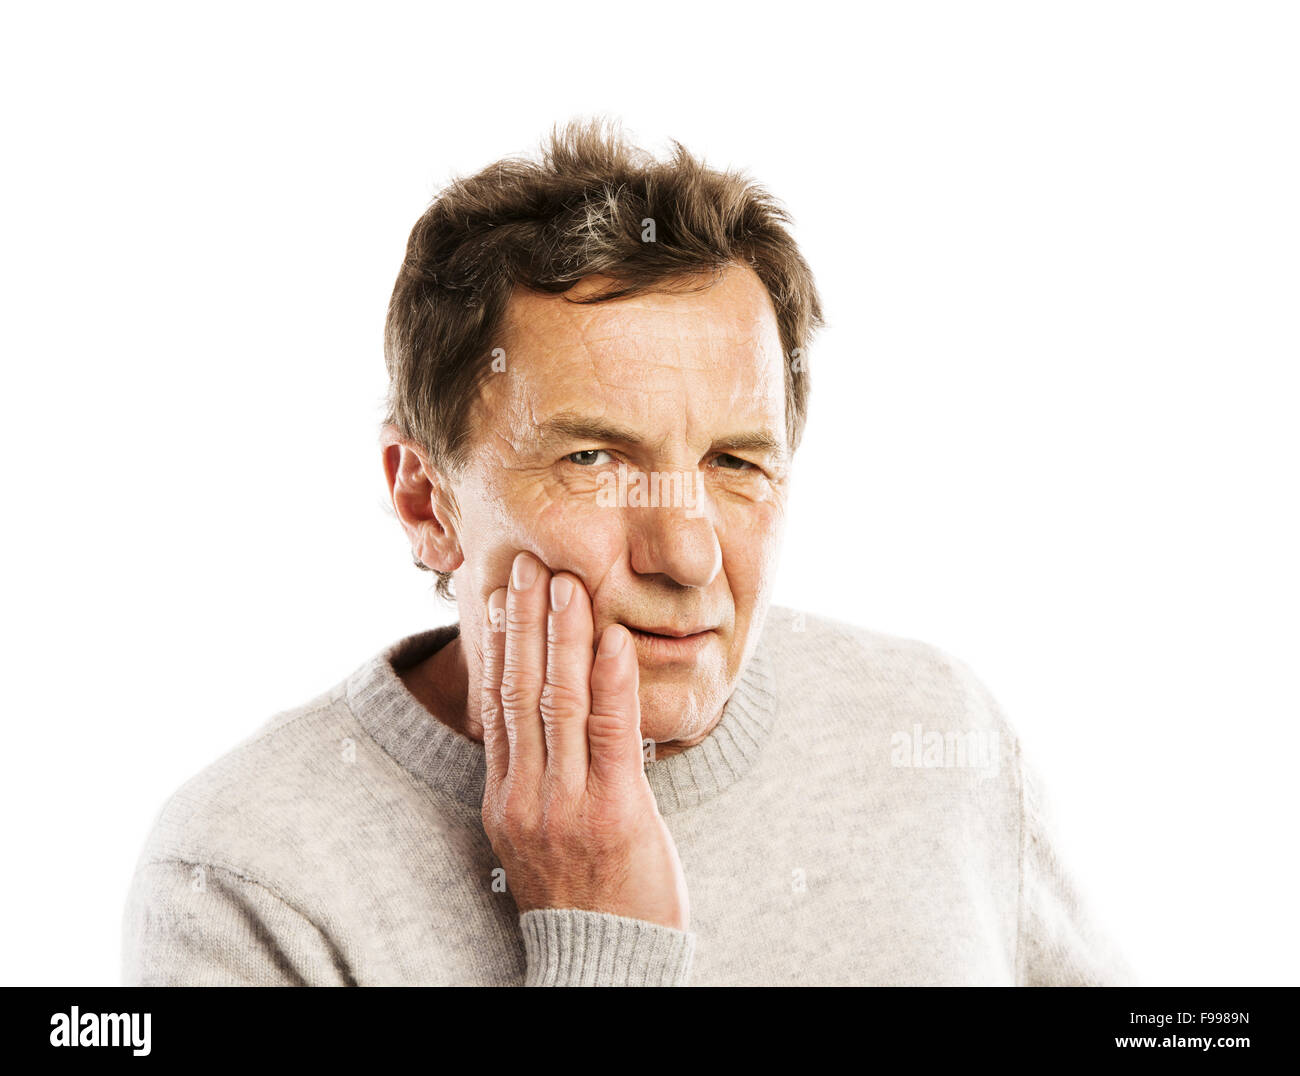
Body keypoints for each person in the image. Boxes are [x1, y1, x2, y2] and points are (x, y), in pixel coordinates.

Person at [122, 120, 1130, 986]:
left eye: (736, 460)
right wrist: (603, 939)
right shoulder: (245, 874)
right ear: (425, 498)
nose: (688, 554)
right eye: (596, 457)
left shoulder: (939, 730)